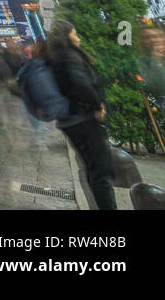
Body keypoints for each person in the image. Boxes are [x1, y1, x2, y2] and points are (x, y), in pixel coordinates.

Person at [45, 21, 116, 209]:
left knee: (94, 169)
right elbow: (80, 84)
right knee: (100, 172)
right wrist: (96, 106)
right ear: (67, 37)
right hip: (83, 118)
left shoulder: (58, 56)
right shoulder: (68, 56)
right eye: (75, 34)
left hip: (72, 119)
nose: (78, 38)